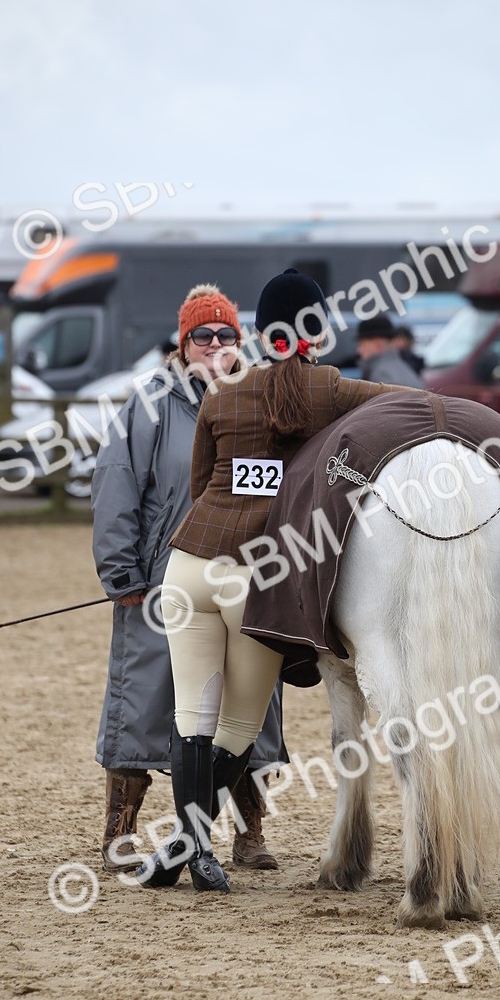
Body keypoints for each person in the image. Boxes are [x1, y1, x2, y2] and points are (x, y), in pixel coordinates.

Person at [136, 268, 404, 894]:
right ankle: (192, 844)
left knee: (191, 720)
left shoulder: (222, 393)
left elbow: (202, 485)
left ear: (258, 333)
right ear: (317, 332)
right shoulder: (326, 388)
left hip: (189, 567)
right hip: (256, 578)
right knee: (238, 730)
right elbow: (398, 404)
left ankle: (188, 851)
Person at [92, 284, 286, 877]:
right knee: (143, 699)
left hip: (245, 576)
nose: (217, 345)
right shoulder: (149, 404)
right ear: (184, 342)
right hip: (161, 582)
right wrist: (121, 569)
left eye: (228, 334)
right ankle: (120, 831)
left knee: (250, 704)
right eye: (204, 334)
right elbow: (117, 484)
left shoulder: (258, 399)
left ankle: (248, 830)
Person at [356, 314, 423, 387]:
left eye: (361, 344)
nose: (358, 351)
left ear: (377, 345)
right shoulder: (402, 368)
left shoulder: (382, 376)